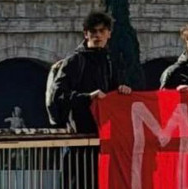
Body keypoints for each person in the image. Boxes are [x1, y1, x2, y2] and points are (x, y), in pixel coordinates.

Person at [51, 11, 131, 189]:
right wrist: (88, 97)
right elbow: (58, 97)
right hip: (79, 140)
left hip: (103, 141)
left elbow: (114, 93)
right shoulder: (74, 61)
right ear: (85, 33)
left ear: (109, 34)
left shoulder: (109, 62)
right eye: (93, 31)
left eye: (102, 31)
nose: (97, 35)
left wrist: (122, 91)